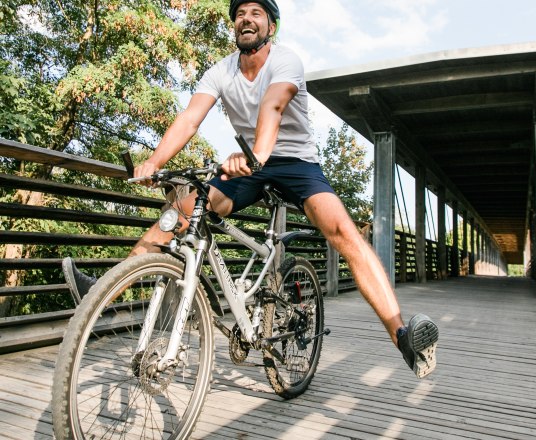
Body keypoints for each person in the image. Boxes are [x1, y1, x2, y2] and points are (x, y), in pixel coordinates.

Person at [62, 0, 438, 379]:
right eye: (240, 13)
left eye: (257, 13)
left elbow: (273, 106)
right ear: (234, 26)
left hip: (295, 164)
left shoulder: (285, 60)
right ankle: (104, 296)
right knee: (182, 210)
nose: (247, 18)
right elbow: (190, 117)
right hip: (248, 163)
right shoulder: (220, 71)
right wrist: (155, 161)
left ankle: (402, 335)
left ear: (271, 27)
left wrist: (258, 154)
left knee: (344, 233)